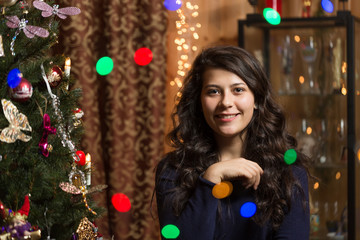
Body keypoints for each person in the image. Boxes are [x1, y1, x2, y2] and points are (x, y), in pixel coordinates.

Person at [155, 46, 310, 239]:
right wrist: (211, 179)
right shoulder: (173, 169)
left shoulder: (289, 171)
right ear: (199, 101)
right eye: (213, 91)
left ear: (256, 99)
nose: (226, 102)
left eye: (238, 90)